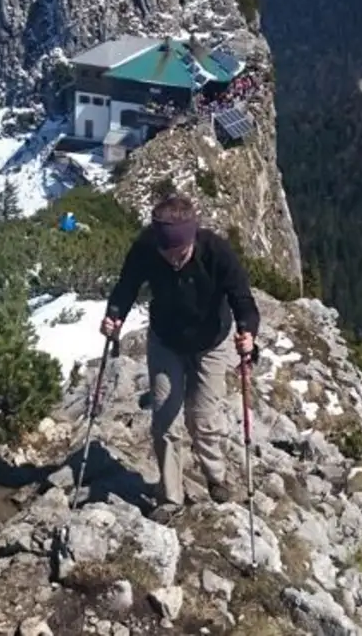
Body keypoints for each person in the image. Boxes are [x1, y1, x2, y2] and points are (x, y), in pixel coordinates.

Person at [100, 194, 260, 521]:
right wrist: (114, 315)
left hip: (212, 342)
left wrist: (248, 332)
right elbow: (127, 285)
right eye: (167, 253)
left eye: (181, 253)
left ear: (191, 239)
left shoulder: (216, 251)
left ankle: (215, 476)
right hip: (166, 340)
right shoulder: (146, 246)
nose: (174, 260)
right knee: (164, 420)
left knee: (201, 419)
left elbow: (242, 298)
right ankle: (171, 496)